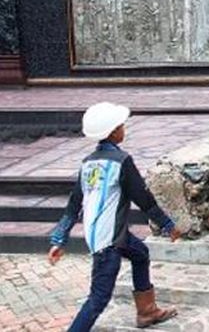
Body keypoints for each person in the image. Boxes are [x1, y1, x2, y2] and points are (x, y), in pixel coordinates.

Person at [48, 102, 181, 331]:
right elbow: (144, 199)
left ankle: (147, 312)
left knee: (140, 253)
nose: (124, 129)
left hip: (110, 234)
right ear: (113, 132)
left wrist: (59, 239)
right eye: (121, 126)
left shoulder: (88, 163)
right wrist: (168, 225)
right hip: (108, 241)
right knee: (98, 299)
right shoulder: (122, 161)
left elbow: (72, 207)